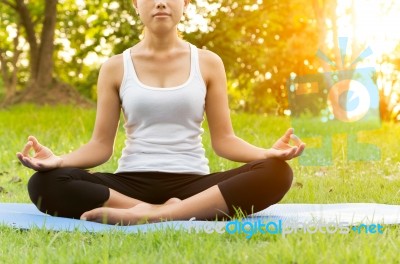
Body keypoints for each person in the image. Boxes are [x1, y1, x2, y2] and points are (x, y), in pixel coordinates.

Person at [16, 0, 305, 225]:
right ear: (136, 4)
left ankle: (152, 216)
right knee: (44, 183)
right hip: (129, 186)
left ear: (186, 4)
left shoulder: (208, 63)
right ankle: (158, 211)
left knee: (277, 173)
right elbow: (100, 146)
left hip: (193, 184)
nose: (161, 3)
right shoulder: (115, 67)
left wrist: (266, 155)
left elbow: (224, 140)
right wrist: (59, 161)